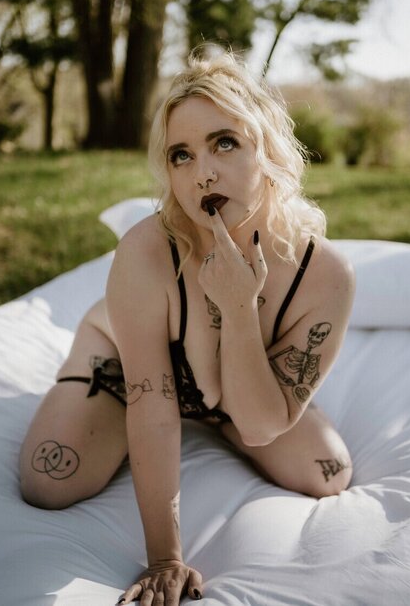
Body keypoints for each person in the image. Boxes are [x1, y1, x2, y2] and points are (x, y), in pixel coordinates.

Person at [19, 48, 355, 605]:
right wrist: (165, 558)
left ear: (268, 148)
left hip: (240, 383)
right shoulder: (146, 251)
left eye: (224, 142)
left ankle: (221, 409)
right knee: (48, 480)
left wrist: (239, 307)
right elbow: (154, 407)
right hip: (127, 363)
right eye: (182, 155)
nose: (204, 173)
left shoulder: (325, 275)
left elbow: (259, 426)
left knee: (328, 473)